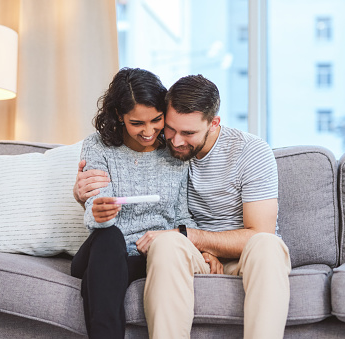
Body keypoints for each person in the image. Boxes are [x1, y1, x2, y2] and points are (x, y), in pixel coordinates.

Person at [74, 74, 292, 339]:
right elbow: (110, 190)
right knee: (158, 243)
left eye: (188, 133)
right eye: (171, 129)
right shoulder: (165, 148)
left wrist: (192, 238)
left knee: (267, 244)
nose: (175, 141)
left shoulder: (250, 151)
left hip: (237, 256)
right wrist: (84, 198)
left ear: (214, 124)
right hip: (167, 251)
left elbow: (258, 232)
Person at [70, 67, 197, 339]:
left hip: (148, 257)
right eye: (137, 123)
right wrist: (100, 212)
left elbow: (183, 215)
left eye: (156, 120)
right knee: (110, 237)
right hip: (105, 247)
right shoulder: (98, 146)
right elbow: (95, 204)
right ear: (119, 116)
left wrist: (188, 242)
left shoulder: (175, 151)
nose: (149, 131)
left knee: (100, 278)